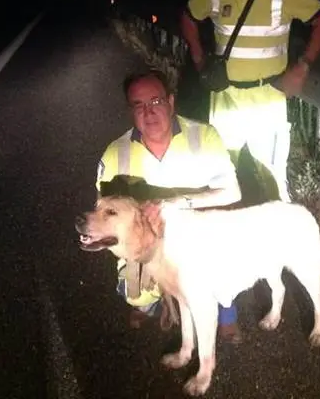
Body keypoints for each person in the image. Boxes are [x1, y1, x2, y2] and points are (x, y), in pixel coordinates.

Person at [180, 0, 320, 203]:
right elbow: (188, 19)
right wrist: (199, 59)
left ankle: (279, 235)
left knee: (273, 177)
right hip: (225, 97)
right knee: (220, 174)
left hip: (267, 99)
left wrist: (302, 67)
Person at [95, 69, 245, 344]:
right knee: (134, 292)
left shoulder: (204, 136)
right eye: (139, 105)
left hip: (200, 236)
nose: (149, 112)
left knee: (221, 273)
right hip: (149, 242)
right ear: (130, 111)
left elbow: (232, 192)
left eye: (156, 102)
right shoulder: (115, 153)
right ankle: (150, 302)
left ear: (171, 102)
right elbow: (105, 214)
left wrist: (174, 204)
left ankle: (225, 310)